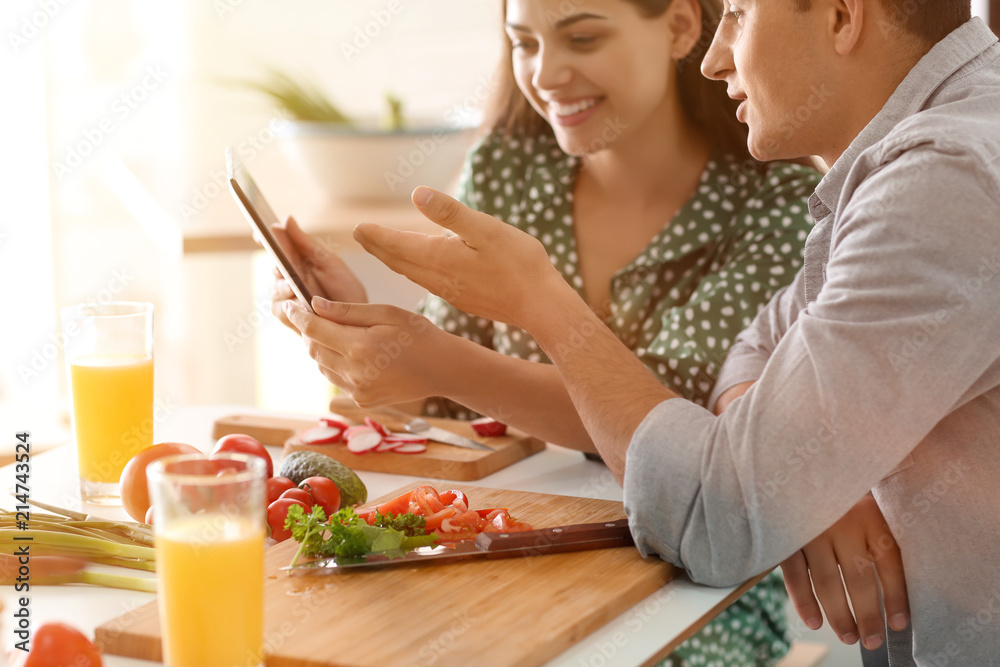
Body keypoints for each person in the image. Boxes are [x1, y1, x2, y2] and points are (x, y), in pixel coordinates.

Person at [349, 0, 1000, 664]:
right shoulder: (919, 152)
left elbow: (718, 518)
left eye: (740, 14)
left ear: (840, 16)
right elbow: (757, 345)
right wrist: (792, 456)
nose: (715, 59)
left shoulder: (940, 178)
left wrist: (544, 304)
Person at [274, 1, 827, 663]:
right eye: (524, 43)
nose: (547, 73)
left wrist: (438, 362)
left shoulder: (779, 202)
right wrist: (371, 338)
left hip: (690, 599)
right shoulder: (507, 173)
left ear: (681, 27)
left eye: (583, 37)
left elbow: (677, 431)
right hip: (511, 569)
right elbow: (449, 396)